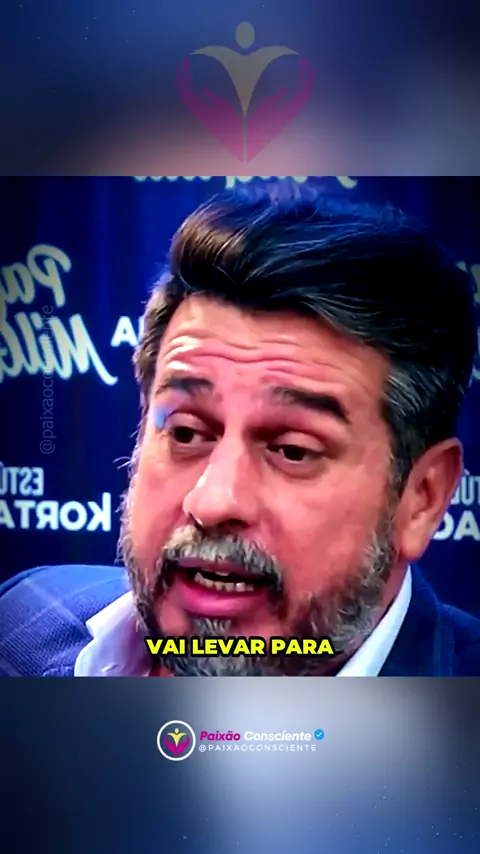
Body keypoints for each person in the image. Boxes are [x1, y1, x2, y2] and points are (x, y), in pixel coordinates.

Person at [1, 181, 480, 677]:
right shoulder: (20, 625)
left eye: (293, 450)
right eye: (186, 433)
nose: (212, 503)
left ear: (422, 498)